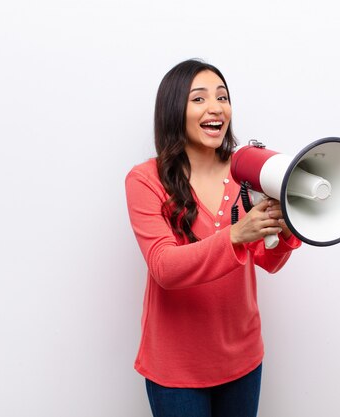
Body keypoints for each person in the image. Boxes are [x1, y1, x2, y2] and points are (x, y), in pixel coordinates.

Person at [125, 59, 301, 417]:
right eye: (199, 99)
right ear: (175, 110)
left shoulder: (246, 173)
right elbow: (164, 267)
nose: (216, 107)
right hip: (176, 369)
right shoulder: (145, 180)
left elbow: (269, 262)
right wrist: (236, 234)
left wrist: (281, 231)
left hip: (243, 359)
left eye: (222, 97)